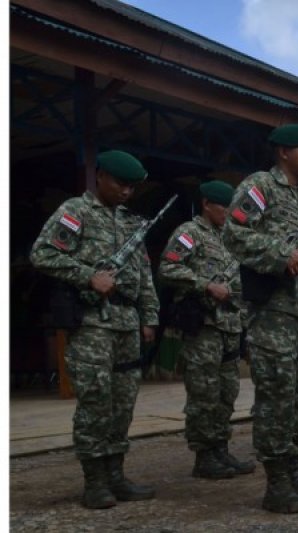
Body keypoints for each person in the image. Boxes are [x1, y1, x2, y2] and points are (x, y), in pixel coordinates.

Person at [30, 150, 159, 509]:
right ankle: (95, 482)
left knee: (123, 404)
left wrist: (149, 317)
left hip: (126, 324)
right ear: (99, 176)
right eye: (121, 184)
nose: (126, 192)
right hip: (91, 326)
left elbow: (144, 276)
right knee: (96, 403)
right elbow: (42, 254)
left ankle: (117, 475)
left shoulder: (131, 223)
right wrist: (89, 275)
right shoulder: (76, 212)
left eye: (132, 187)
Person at [223, 124, 298, 514]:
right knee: (277, 395)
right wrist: (278, 253)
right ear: (283, 152)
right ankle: (276, 484)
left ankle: (296, 473)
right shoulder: (261, 187)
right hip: (274, 311)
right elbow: (234, 231)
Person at [158, 180, 254, 479]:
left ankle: (220, 450)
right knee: (204, 393)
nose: (228, 212)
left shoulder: (231, 238)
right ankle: (204, 456)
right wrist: (205, 285)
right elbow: (168, 268)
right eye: (223, 206)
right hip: (203, 328)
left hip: (230, 326)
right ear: (206, 204)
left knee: (227, 392)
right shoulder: (189, 234)